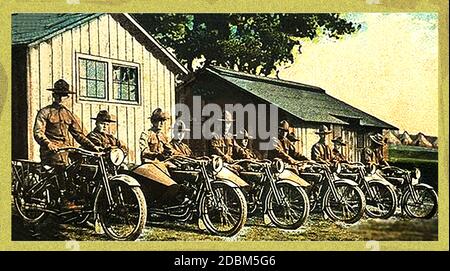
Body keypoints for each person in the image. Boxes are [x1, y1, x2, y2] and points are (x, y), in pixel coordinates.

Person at [33, 79, 100, 208]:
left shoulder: (68, 114)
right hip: (51, 152)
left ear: (67, 97)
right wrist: (48, 144)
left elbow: (79, 134)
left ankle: (78, 197)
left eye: (64, 96)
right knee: (61, 166)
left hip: (66, 150)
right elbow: (38, 132)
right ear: (54, 95)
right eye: (58, 95)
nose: (61, 98)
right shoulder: (45, 112)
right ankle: (63, 200)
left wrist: (94, 147)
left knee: (82, 164)